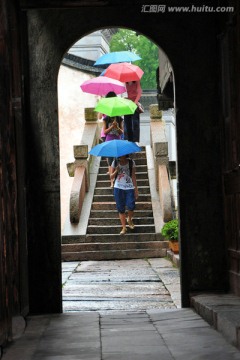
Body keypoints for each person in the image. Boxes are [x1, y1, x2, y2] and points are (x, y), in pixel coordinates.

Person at [110, 155, 138, 235]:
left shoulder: (131, 162)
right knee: (120, 208)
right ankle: (124, 227)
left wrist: (136, 189)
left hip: (129, 187)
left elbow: (133, 176)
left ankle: (129, 219)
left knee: (131, 205)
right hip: (118, 187)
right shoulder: (115, 162)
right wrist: (116, 171)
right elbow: (111, 176)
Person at [102, 115, 124, 187]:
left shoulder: (119, 119)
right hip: (109, 141)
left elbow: (121, 132)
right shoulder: (106, 119)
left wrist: (117, 127)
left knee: (118, 160)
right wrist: (111, 126)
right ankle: (111, 181)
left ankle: (117, 179)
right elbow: (105, 132)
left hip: (118, 140)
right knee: (110, 161)